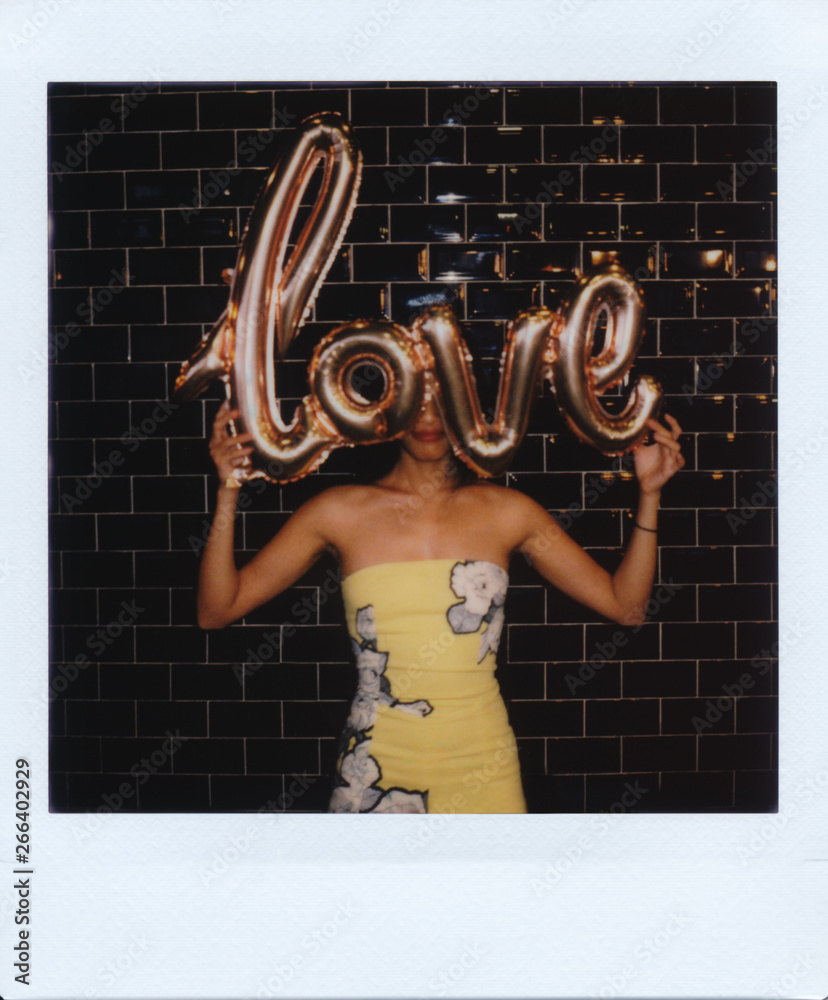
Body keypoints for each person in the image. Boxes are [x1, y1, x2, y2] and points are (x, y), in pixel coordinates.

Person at [198, 396, 685, 814]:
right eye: (416, 397)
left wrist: (649, 494)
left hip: (483, 763)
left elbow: (626, 607)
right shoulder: (339, 510)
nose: (428, 414)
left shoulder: (507, 510)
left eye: (442, 397)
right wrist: (228, 489)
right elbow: (217, 610)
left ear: (466, 407)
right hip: (377, 759)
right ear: (386, 407)